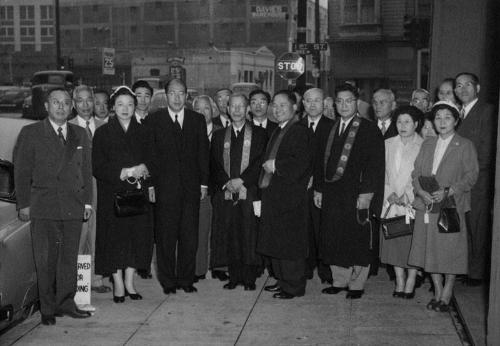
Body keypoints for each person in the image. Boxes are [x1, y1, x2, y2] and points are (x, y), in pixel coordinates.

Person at [14, 87, 93, 325]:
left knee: (69, 258)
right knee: (46, 260)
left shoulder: (80, 133)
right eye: (56, 102)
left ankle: (66, 303)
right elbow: (22, 171)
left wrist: (87, 203)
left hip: (72, 205)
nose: (61, 106)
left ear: (71, 108)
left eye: (66, 103)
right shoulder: (31, 132)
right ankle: (47, 309)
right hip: (44, 206)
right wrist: (24, 204)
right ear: (47, 106)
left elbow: (86, 171)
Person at [314, 83, 385, 299]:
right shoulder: (329, 128)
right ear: (334, 104)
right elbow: (320, 162)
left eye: (349, 101)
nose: (344, 105)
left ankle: (357, 284)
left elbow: (375, 165)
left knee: (357, 238)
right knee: (334, 236)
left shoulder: (368, 128)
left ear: (357, 103)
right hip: (333, 193)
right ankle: (340, 280)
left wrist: (367, 194)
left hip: (357, 193)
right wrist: (319, 189)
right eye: (340, 101)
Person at [408, 101, 478, 311]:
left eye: (448, 117)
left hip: (450, 206)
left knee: (450, 250)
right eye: (438, 118)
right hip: (427, 205)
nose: (442, 122)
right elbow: (416, 173)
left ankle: (448, 290)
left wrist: (449, 191)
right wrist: (420, 191)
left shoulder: (465, 145)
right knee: (430, 249)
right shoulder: (428, 144)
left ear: (456, 120)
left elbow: (471, 176)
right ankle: (437, 290)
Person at [92, 86, 155, 303]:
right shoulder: (102, 133)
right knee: (114, 239)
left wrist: (144, 167)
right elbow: (98, 167)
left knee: (136, 238)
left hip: (137, 194)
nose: (125, 109)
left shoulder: (145, 131)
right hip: (113, 194)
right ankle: (117, 281)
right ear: (113, 107)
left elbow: (154, 160)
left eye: (130, 104)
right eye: (120, 104)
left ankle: (130, 280)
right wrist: (127, 171)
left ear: (135, 106)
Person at [149, 79, 210, 294]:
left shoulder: (197, 120)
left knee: (189, 236)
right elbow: (151, 156)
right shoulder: (155, 119)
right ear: (166, 96)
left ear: (186, 96)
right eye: (172, 93)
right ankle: (168, 281)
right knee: (165, 237)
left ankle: (186, 279)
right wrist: (151, 186)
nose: (176, 97)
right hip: (164, 190)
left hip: (191, 189)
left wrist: (203, 183)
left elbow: (203, 153)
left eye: (181, 93)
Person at [257, 90, 312, 299]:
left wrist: (276, 165)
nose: (277, 109)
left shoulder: (299, 131)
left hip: (290, 198)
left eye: (283, 105)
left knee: (289, 244)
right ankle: (282, 280)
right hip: (275, 195)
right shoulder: (280, 130)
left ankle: (293, 286)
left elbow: (301, 162)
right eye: (275, 105)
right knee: (277, 242)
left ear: (294, 107)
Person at [211, 94, 268, 290]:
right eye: (233, 106)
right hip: (226, 193)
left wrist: (242, 180)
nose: (236, 110)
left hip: (249, 191)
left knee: (249, 234)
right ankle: (234, 277)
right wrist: (226, 182)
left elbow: (260, 162)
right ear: (227, 109)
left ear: (247, 110)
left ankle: (250, 278)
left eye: (241, 106)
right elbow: (214, 165)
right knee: (230, 234)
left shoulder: (260, 134)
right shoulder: (219, 136)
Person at [454, 72, 497, 285]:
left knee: (477, 227)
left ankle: (477, 273)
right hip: (460, 183)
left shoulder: (487, 111)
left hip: (478, 181)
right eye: (458, 86)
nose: (463, 89)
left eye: (467, 85)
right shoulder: (457, 114)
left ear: (477, 88)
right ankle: (466, 268)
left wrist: (469, 175)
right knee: (464, 227)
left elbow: (487, 150)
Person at [68, 85, 109, 300]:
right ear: (74, 104)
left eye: (89, 100)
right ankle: (75, 282)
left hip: (101, 187)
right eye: (80, 101)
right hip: (77, 189)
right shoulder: (68, 127)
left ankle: (97, 278)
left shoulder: (104, 127)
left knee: (98, 233)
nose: (85, 105)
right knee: (78, 235)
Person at [379, 106, 424, 299]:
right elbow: (381, 173)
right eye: (399, 122)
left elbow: (422, 175)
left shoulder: (424, 145)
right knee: (394, 243)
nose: (402, 126)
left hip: (411, 202)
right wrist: (390, 193)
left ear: (416, 124)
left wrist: (407, 195)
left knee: (412, 243)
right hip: (390, 201)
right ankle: (399, 280)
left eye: (407, 122)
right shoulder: (388, 143)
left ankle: (411, 280)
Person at [300, 88, 334, 285]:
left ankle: (325, 270)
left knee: (323, 229)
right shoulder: (296, 127)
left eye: (317, 101)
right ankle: (305, 267)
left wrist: (318, 183)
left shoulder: (333, 127)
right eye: (308, 101)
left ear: (324, 104)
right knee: (303, 230)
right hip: (301, 189)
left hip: (323, 189)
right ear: (303, 103)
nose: (312, 105)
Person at [192, 95, 221, 282]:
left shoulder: (221, 132)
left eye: (207, 109)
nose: (203, 113)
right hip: (196, 190)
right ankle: (198, 269)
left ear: (213, 111)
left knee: (215, 231)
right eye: (198, 110)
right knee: (198, 232)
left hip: (217, 189)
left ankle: (216, 266)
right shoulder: (188, 131)